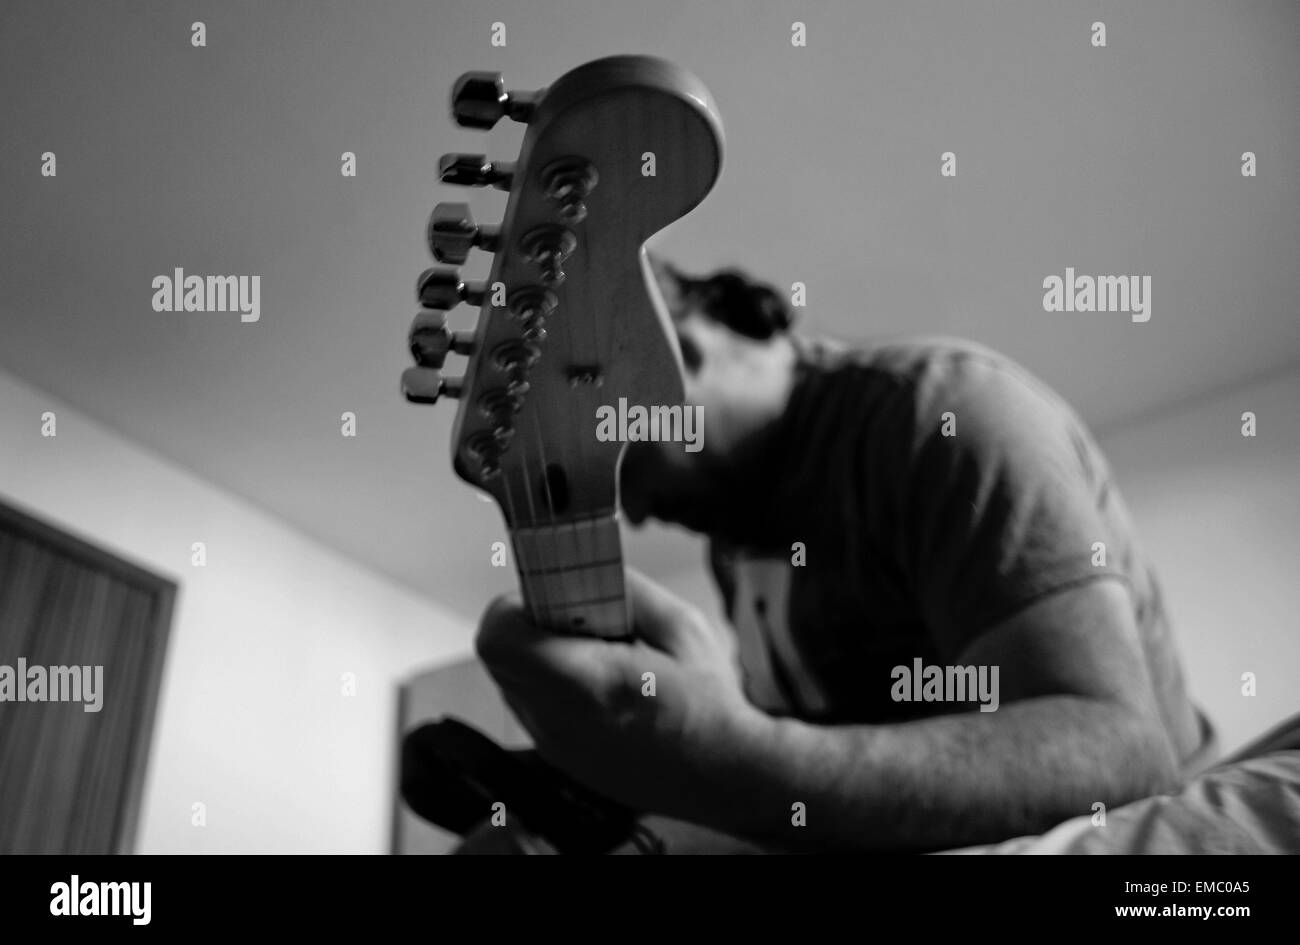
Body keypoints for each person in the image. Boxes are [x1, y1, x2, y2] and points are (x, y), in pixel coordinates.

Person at [472, 259, 1215, 853]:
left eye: (624, 461)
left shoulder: (942, 416)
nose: (629, 509)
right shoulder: (732, 539)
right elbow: (814, 767)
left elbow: (1118, 753)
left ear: (681, 350)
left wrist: (723, 755)